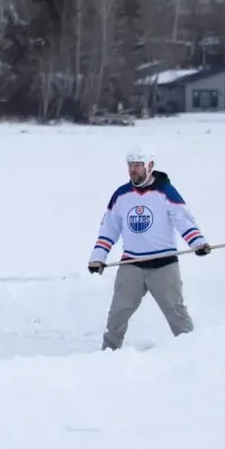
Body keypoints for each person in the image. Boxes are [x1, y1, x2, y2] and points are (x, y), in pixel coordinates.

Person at [88, 145, 208, 350]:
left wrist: (197, 243)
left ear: (150, 166)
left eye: (137, 165)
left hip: (164, 265)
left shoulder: (165, 191)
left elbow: (184, 220)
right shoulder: (122, 195)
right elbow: (109, 229)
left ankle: (193, 351)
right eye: (130, 165)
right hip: (132, 263)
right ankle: (108, 352)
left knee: (175, 311)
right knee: (118, 312)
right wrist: (98, 257)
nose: (133, 170)